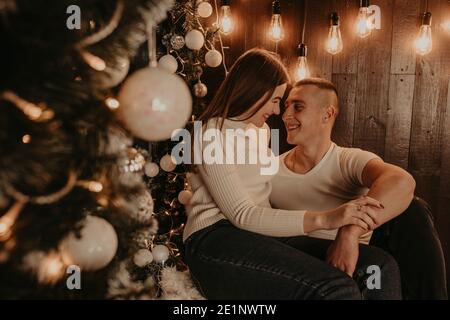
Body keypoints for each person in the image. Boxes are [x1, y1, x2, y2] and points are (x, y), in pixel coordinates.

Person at [183, 49, 402, 299]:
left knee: (378, 265)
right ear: (255, 90)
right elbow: (242, 214)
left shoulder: (262, 131)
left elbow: (265, 189)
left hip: (259, 236)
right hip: (214, 237)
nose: (278, 111)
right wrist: (327, 219)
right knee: (334, 287)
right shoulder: (211, 133)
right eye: (276, 100)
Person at [270, 77, 447, 299]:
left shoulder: (348, 160)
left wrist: (349, 232)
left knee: (414, 210)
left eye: (298, 107)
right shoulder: (271, 168)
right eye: (286, 106)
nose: (286, 115)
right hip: (300, 265)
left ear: (327, 114)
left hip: (358, 265)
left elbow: (402, 181)